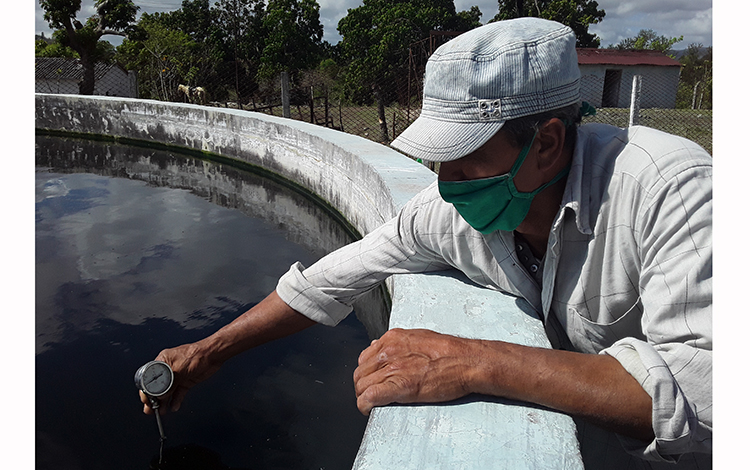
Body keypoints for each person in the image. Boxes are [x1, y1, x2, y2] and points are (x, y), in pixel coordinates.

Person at [140, 18, 711, 467]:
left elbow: (704, 398)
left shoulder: (670, 192)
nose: (444, 182)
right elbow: (328, 282)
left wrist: (476, 360)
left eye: (464, 159)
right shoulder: (447, 210)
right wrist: (207, 352)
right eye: (437, 159)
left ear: (547, 143)